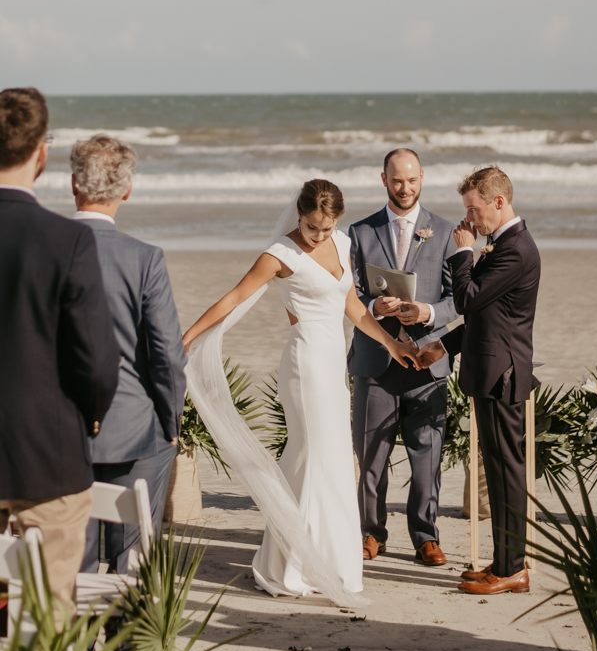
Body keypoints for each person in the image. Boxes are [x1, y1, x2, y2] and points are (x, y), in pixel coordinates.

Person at [182, 179, 417, 602]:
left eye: (326, 228)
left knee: (323, 461)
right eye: (312, 227)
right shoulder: (280, 255)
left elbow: (353, 309)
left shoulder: (343, 244)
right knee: (316, 459)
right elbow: (233, 297)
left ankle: (309, 560)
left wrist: (391, 343)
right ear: (300, 216)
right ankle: (295, 567)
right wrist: (187, 339)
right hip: (304, 365)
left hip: (331, 364)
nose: (319, 236)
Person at [0, 88, 119, 620]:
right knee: (47, 621)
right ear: (42, 153)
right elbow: (96, 359)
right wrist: (91, 416)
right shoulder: (64, 240)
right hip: (46, 457)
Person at [418, 165, 541, 596]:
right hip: (491, 369)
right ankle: (505, 561)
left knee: (507, 471)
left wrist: (461, 254)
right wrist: (443, 347)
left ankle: (512, 568)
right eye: (467, 210)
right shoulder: (501, 244)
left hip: (502, 375)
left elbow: (468, 300)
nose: (470, 220)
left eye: (475, 209)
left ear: (499, 202)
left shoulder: (515, 249)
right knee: (498, 468)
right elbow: (487, 319)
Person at [70, 135, 187, 575]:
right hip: (134, 429)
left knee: (70, 562)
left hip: (61, 430)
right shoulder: (144, 259)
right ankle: (125, 644)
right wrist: (171, 421)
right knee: (131, 558)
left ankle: (71, 643)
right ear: (127, 190)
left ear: (74, 185)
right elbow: (167, 355)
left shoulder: (46, 248)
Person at [348, 148, 457, 566]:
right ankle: (370, 533)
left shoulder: (444, 232)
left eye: (412, 180)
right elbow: (350, 293)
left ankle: (425, 536)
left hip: (427, 361)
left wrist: (426, 312)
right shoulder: (360, 232)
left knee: (426, 456)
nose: (405, 188)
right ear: (383, 180)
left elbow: (456, 298)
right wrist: (377, 309)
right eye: (397, 180)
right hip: (375, 360)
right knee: (371, 456)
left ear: (423, 178)